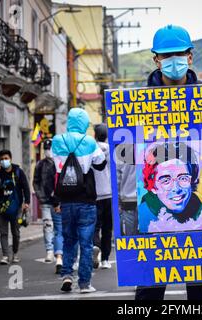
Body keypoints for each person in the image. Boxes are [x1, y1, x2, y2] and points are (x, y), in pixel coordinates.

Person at [135, 24, 202, 301]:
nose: (173, 61)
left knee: (200, 285)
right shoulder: (137, 103)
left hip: (201, 197)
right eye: (166, 56)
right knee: (149, 284)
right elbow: (129, 154)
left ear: (190, 57)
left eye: (179, 54)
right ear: (156, 59)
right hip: (153, 208)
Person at [52, 108, 107, 294]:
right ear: (84, 123)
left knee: (68, 240)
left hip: (65, 201)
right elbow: (101, 164)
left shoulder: (57, 140)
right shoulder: (90, 142)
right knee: (85, 243)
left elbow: (57, 166)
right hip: (86, 200)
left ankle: (67, 275)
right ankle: (84, 284)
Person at [139, 141, 202, 233]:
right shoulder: (143, 217)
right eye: (166, 181)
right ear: (153, 187)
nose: (176, 189)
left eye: (183, 178)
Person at [0, 149, 30, 265]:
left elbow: (26, 187)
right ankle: (5, 255)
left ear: (10, 159)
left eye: (6, 158)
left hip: (17, 207)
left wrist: (27, 202)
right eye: (2, 159)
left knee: (16, 232)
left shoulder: (18, 171)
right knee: (3, 233)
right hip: (2, 208)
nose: (4, 161)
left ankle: (15, 253)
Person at [33, 139, 63, 274]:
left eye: (49, 148)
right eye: (46, 148)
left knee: (58, 227)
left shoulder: (60, 163)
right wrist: (40, 196)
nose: (47, 150)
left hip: (57, 201)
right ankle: (49, 250)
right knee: (47, 226)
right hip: (45, 201)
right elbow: (36, 181)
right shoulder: (40, 165)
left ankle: (58, 252)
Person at [92, 124, 113, 270]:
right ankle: (105, 259)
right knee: (107, 228)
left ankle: (95, 245)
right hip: (110, 194)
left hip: (95, 194)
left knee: (95, 226)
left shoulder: (91, 149)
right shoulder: (112, 149)